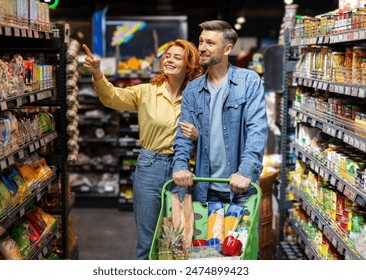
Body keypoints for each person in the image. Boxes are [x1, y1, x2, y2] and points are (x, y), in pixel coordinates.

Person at [82, 40, 203, 259]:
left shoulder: (196, 97)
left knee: (179, 238)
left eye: (177, 57)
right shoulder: (147, 92)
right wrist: (98, 73)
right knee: (147, 240)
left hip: (183, 169)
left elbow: (212, 132)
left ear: (189, 65)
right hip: (150, 166)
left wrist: (198, 136)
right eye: (167, 55)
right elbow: (112, 98)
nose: (169, 59)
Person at [172, 20, 268, 205]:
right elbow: (183, 136)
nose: (202, 48)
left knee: (239, 236)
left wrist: (245, 171)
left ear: (227, 49)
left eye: (210, 43)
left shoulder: (248, 81)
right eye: (201, 41)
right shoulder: (192, 90)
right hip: (205, 189)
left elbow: (257, 129)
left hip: (241, 188)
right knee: (205, 235)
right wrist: (180, 167)